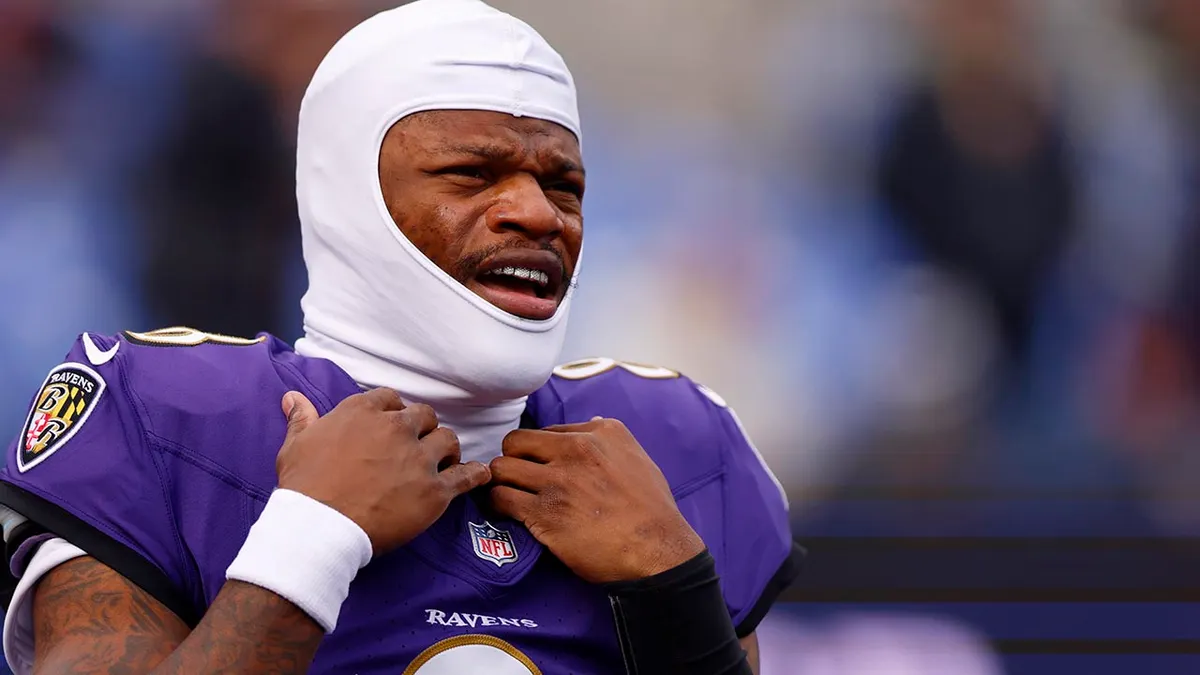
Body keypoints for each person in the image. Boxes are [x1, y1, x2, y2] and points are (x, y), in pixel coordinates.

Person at [0, 1, 802, 673]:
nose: (538, 213)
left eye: (564, 184)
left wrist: (675, 594)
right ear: (347, 197)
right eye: (472, 174)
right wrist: (306, 546)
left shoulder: (676, 443)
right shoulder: (164, 416)